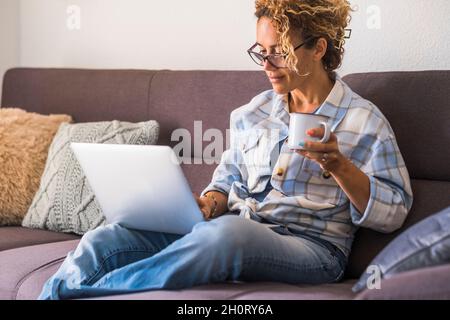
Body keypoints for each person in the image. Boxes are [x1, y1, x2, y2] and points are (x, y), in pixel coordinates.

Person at [38, 0, 413, 300]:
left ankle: (87, 296)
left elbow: (393, 211)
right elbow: (227, 178)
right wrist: (211, 202)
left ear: (318, 48)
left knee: (224, 236)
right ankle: (53, 295)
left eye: (279, 52)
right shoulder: (255, 111)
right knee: (109, 237)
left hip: (313, 249)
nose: (267, 65)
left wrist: (339, 166)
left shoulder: (363, 120)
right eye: (260, 51)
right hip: (232, 227)